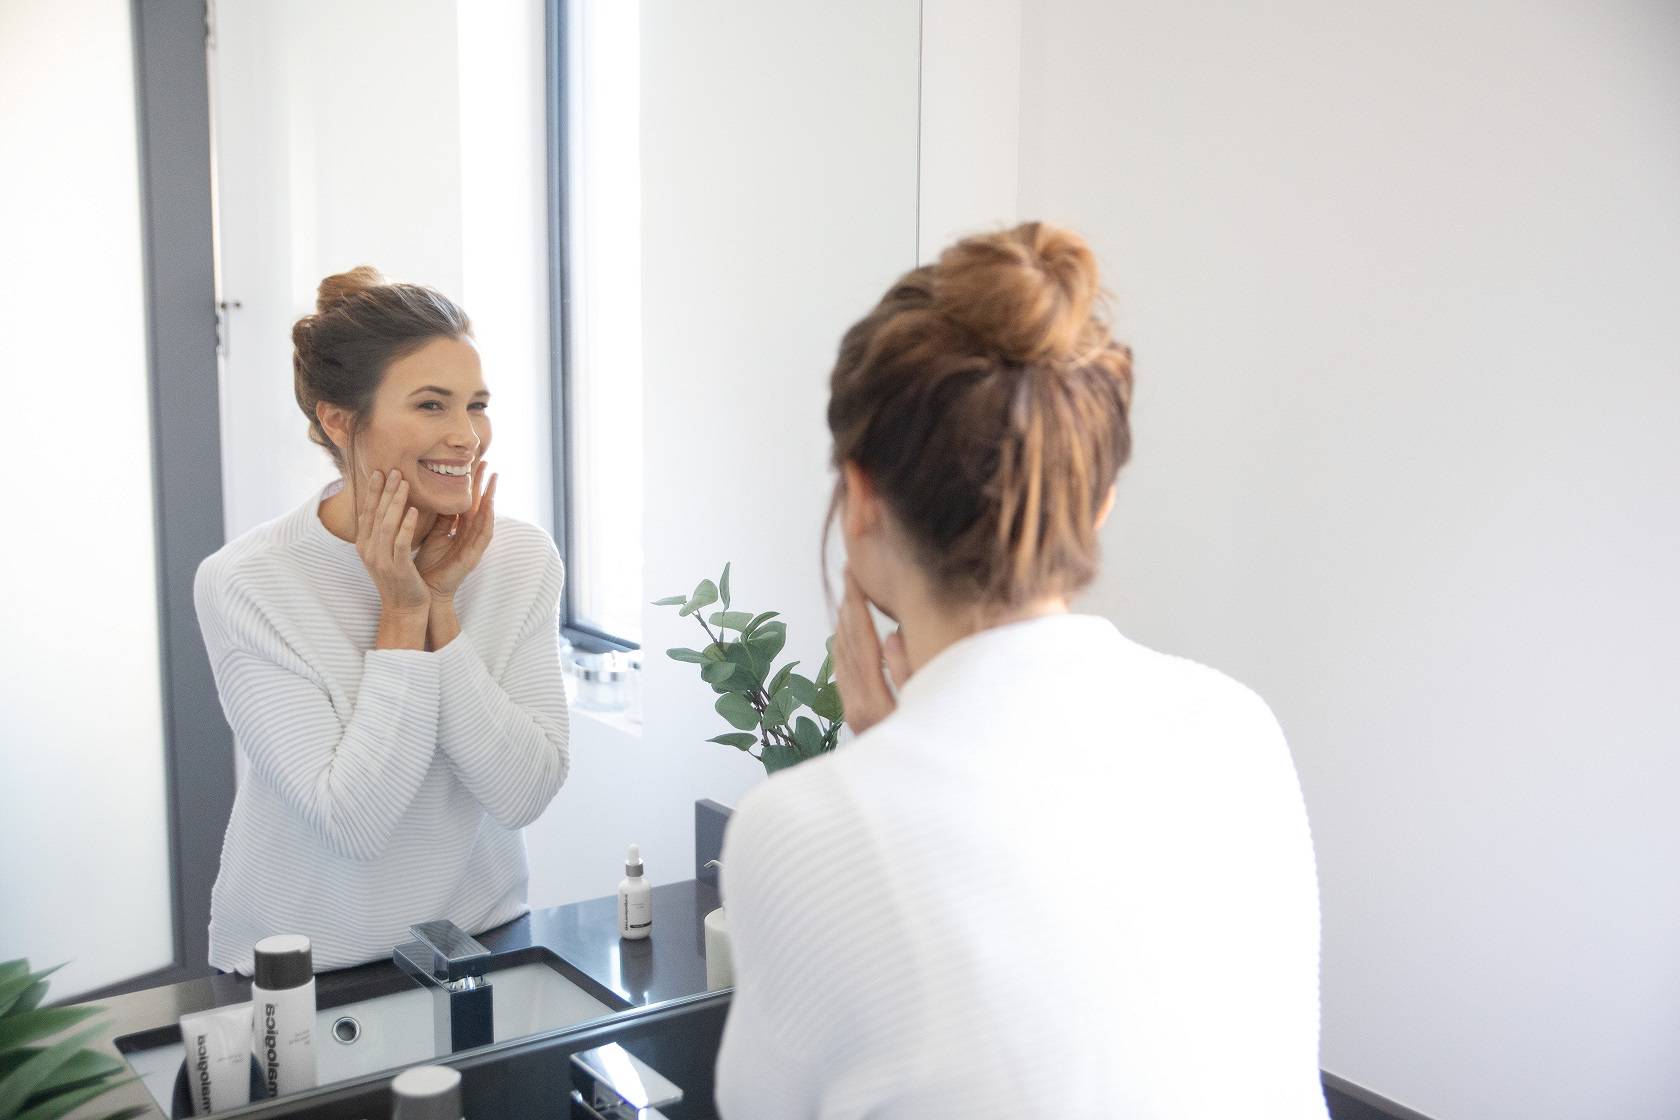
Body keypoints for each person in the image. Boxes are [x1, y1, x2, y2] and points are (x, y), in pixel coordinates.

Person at [714, 224, 1329, 1117]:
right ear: (1101, 499)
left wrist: (882, 763)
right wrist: (897, 750)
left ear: (862, 497)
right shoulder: (1236, 725)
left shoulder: (807, 829)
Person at [195, 267, 569, 975]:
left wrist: (442, 612)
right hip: (299, 964)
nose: (467, 437)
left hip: (481, 935)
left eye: (477, 405)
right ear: (339, 419)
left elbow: (523, 793)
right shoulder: (248, 583)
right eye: (431, 405)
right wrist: (402, 611)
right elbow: (355, 821)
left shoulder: (518, 556)